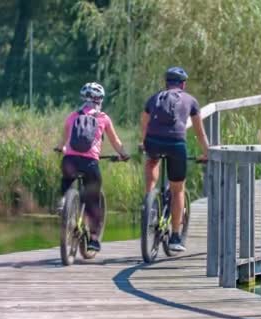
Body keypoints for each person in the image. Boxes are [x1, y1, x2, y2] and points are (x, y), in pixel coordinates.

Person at [139, 67, 210, 252]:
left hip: (153, 142)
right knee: (178, 190)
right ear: (183, 84)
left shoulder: (154, 98)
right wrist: (206, 153)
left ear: (166, 83)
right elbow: (199, 132)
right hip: (176, 144)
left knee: (152, 161)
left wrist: (143, 141)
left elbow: (145, 123)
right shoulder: (190, 100)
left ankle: (149, 200)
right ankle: (176, 236)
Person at [57, 82, 129, 252]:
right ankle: (94, 239)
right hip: (90, 163)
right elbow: (115, 142)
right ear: (100, 99)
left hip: (70, 160)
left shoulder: (73, 116)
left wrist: (60, 149)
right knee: (93, 200)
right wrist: (124, 154)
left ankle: (63, 201)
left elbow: (63, 141)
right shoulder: (103, 118)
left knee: (67, 178)